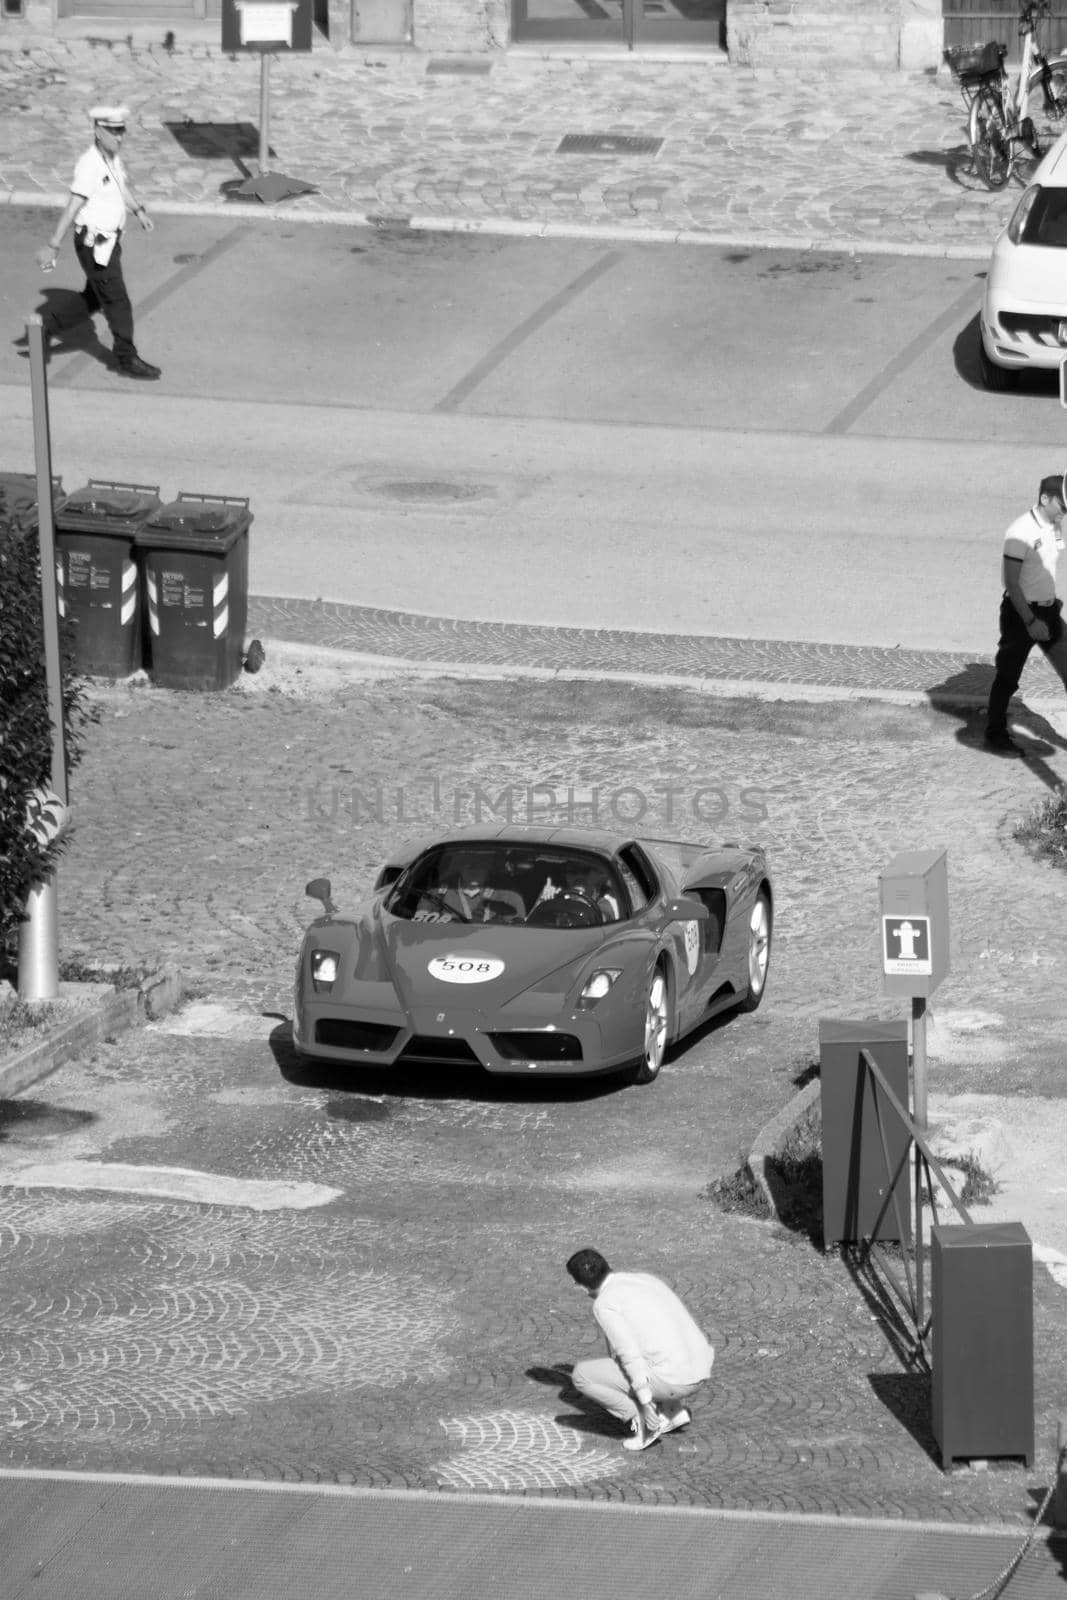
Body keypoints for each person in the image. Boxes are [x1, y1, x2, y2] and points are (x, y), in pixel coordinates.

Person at [35, 105, 161, 380]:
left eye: (122, 131)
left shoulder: (111, 158)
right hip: (94, 247)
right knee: (118, 301)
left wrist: (138, 211)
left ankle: (43, 330)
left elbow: (120, 187)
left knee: (94, 297)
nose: (120, 137)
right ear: (97, 131)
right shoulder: (89, 165)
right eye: (114, 131)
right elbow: (72, 206)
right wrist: (53, 244)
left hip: (109, 244)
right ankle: (126, 358)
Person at [565, 1247, 715, 1453]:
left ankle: (645, 1423)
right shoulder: (643, 1279)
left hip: (675, 1380)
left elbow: (629, 1355)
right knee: (652, 1346)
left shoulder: (605, 1303)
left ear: (581, 1286)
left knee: (582, 1375)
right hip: (698, 1368)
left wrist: (645, 1401)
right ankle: (672, 1411)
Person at [985, 473, 1067, 755]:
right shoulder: (1020, 532)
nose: (1065, 511)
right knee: (1008, 677)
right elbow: (1011, 582)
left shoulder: (1055, 525)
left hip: (1049, 612)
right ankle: (995, 734)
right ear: (1045, 499)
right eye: (1063, 505)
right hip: (1021, 615)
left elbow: (1050, 559)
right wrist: (1030, 621)